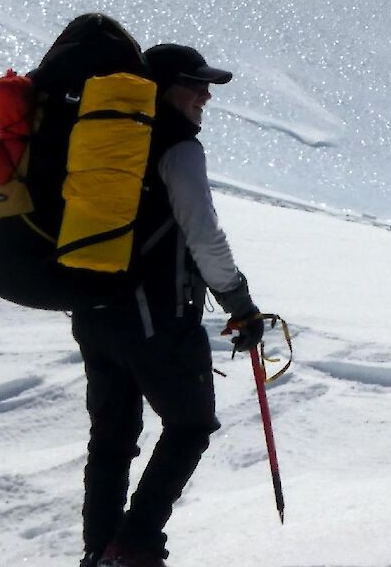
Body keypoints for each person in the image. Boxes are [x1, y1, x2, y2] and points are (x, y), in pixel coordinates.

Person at [75, 43, 265, 567]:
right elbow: (203, 235)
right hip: (156, 315)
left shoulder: (107, 143)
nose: (205, 94)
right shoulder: (177, 146)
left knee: (112, 438)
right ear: (162, 87)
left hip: (93, 311)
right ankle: (132, 548)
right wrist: (240, 302)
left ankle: (100, 552)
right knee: (190, 426)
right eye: (195, 83)